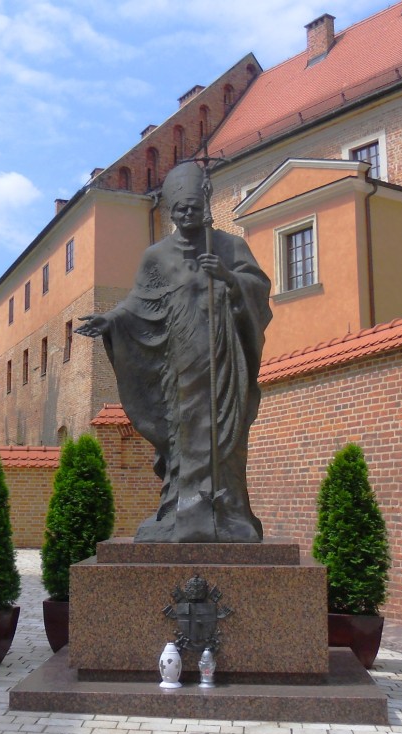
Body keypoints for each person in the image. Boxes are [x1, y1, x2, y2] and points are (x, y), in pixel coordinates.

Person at [76, 161, 272, 542]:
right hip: (179, 361)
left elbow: (258, 294)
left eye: (193, 208)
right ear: (170, 210)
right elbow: (138, 305)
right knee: (184, 431)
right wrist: (111, 321)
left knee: (223, 436)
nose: (186, 215)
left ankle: (227, 511)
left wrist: (229, 278)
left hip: (223, 360)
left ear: (205, 205)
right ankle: (180, 508)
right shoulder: (157, 256)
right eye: (179, 209)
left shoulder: (230, 246)